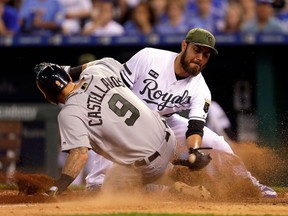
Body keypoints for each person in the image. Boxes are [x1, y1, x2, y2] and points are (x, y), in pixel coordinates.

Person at [77, 27, 277, 198]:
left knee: (218, 142)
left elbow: (195, 127)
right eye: (196, 50)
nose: (199, 58)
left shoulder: (200, 89)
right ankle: (96, 184)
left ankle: (250, 184)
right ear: (184, 46)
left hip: (165, 122)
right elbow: (116, 89)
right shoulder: (149, 57)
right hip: (129, 115)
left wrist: (194, 151)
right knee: (109, 128)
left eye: (206, 55)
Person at [34, 58, 177, 195]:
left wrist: (57, 187)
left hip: (149, 165)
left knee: (107, 191)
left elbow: (79, 155)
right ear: (69, 78)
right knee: (139, 166)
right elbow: (107, 61)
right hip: (170, 140)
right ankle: (176, 174)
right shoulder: (97, 71)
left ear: (49, 98)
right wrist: (70, 70)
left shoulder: (69, 113)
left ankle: (162, 189)